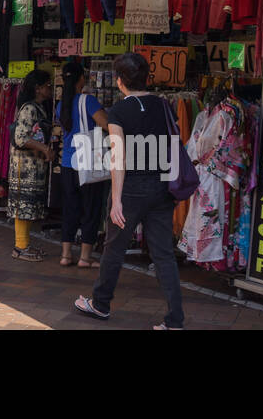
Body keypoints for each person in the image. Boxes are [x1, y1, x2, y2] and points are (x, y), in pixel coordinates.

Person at [75, 51, 184, 329]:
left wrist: (116, 201)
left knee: (114, 249)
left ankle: (100, 304)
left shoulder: (119, 111)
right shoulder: (164, 106)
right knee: (163, 255)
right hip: (162, 187)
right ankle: (175, 319)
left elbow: (118, 157)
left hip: (132, 188)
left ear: (120, 81)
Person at [57, 60, 109, 267]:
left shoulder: (62, 104)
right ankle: (85, 257)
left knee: (70, 208)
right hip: (88, 161)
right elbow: (105, 123)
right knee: (91, 208)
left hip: (68, 162)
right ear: (81, 79)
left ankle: (65, 254)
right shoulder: (88, 101)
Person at [7, 68, 54, 263]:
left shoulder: (37, 107)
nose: (49, 89)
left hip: (32, 167)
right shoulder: (30, 109)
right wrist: (44, 148)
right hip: (24, 168)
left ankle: (24, 244)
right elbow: (20, 137)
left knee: (28, 206)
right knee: (23, 206)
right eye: (47, 86)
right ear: (38, 88)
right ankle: (20, 246)